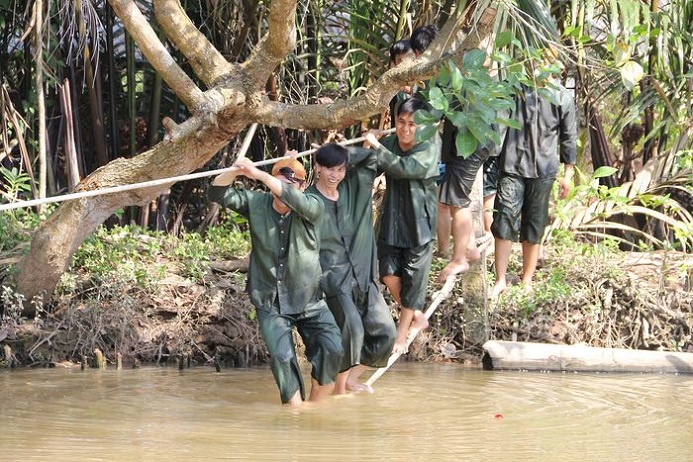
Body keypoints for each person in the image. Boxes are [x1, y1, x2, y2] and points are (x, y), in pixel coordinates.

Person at [209, 156, 343, 405]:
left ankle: (315, 407)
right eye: (279, 184)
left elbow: (292, 197)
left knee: (332, 348)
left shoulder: (313, 205)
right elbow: (217, 193)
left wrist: (260, 175)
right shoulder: (257, 203)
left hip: (309, 300)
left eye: (292, 186)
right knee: (282, 358)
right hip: (270, 299)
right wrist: (235, 170)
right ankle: (295, 414)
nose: (284, 192)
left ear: (303, 187)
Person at [307, 143, 397, 394]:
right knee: (352, 331)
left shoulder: (354, 188)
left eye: (340, 169)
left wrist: (346, 152)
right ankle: (338, 389)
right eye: (329, 169)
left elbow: (374, 157)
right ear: (317, 168)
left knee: (386, 333)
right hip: (335, 279)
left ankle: (349, 379)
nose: (334, 175)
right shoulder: (310, 201)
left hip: (364, 276)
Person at [365, 97, 440, 355]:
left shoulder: (429, 148)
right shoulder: (389, 142)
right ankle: (417, 314)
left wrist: (377, 148)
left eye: (412, 124)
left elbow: (403, 167)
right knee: (386, 273)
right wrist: (367, 145)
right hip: (392, 220)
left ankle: (401, 334)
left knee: (413, 281)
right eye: (401, 122)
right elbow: (371, 165)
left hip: (419, 224)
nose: (406, 129)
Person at [491, 76, 577, 298]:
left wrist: (568, 174)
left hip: (543, 170)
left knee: (534, 225)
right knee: (504, 219)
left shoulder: (562, 96)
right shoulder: (514, 89)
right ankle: (500, 279)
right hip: (512, 165)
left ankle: (526, 279)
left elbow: (569, 137)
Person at [437, 118, 495, 282]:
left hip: (469, 142)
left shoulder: (462, 92)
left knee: (458, 201)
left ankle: (459, 258)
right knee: (454, 198)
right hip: (469, 140)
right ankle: (469, 247)